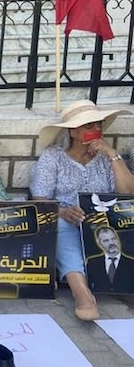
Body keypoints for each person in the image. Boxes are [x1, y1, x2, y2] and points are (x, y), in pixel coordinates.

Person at [30, 100, 134, 321]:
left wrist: (113, 155)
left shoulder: (106, 158)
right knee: (59, 227)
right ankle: (82, 294)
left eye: (99, 125)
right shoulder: (53, 157)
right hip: (67, 219)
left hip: (104, 222)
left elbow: (127, 195)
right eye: (89, 126)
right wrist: (63, 212)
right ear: (72, 131)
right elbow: (40, 199)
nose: (97, 130)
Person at [86, 227, 134, 294]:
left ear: (118, 240)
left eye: (113, 239)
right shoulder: (92, 263)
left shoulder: (131, 264)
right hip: (101, 302)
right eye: (106, 240)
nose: (111, 243)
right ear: (99, 244)